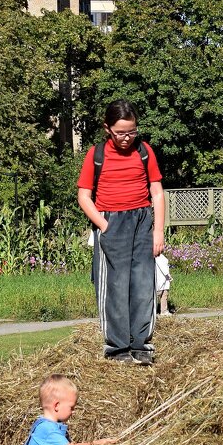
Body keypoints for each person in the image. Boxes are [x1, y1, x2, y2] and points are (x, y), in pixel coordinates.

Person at [77, 100, 166, 365]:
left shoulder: (144, 151)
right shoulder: (96, 155)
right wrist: (104, 226)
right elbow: (84, 196)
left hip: (142, 221)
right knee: (114, 287)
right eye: (120, 133)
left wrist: (158, 231)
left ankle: (141, 346)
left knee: (143, 284)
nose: (127, 138)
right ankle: (117, 349)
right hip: (111, 221)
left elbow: (157, 192)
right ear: (107, 129)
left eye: (132, 132)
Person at [154, 251, 172, 315]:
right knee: (161, 295)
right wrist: (168, 274)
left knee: (163, 295)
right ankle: (163, 311)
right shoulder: (159, 257)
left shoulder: (159, 256)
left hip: (162, 279)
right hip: (162, 278)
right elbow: (163, 267)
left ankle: (163, 311)